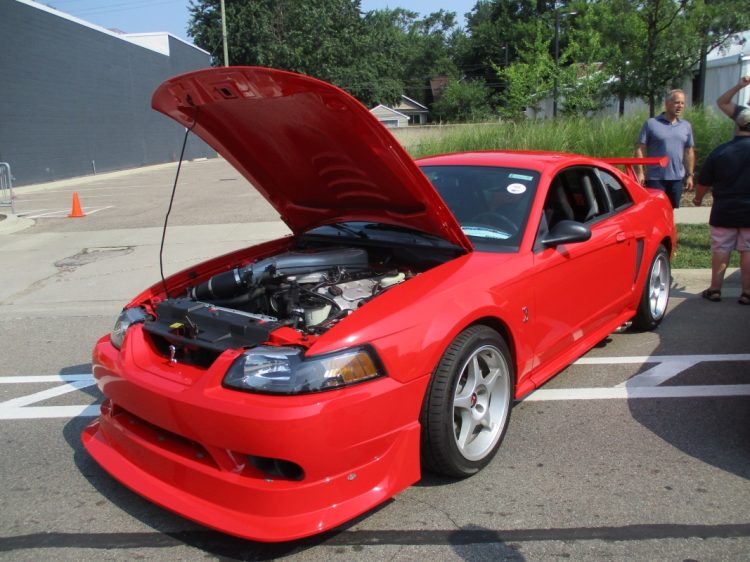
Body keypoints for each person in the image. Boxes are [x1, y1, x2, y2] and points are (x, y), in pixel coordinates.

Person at [692, 108, 750, 305]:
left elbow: (704, 182)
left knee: (721, 248)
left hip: (723, 209)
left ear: (738, 125)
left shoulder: (721, 151)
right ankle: (747, 293)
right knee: (748, 249)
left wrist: (698, 199)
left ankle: (715, 289)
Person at [634, 89, 695, 208]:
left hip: (677, 178)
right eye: (677, 102)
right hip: (655, 178)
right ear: (667, 103)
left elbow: (688, 151)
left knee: (671, 211)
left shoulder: (686, 126)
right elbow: (640, 149)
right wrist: (640, 173)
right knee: (655, 210)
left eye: (682, 103)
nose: (680, 106)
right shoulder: (651, 124)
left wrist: (690, 175)